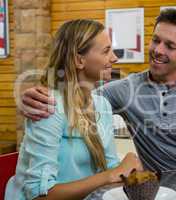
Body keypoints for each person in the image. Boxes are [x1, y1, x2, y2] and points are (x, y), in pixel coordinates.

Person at [20, 9, 176, 172]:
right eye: (155, 40)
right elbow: (74, 97)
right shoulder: (124, 90)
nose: (158, 50)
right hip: (155, 189)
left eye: (169, 46)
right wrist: (35, 95)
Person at [6, 19, 143, 200]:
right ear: (79, 60)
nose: (114, 58)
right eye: (106, 51)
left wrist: (126, 170)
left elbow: (110, 167)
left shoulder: (102, 105)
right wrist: (112, 175)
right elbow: (39, 196)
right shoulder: (48, 106)